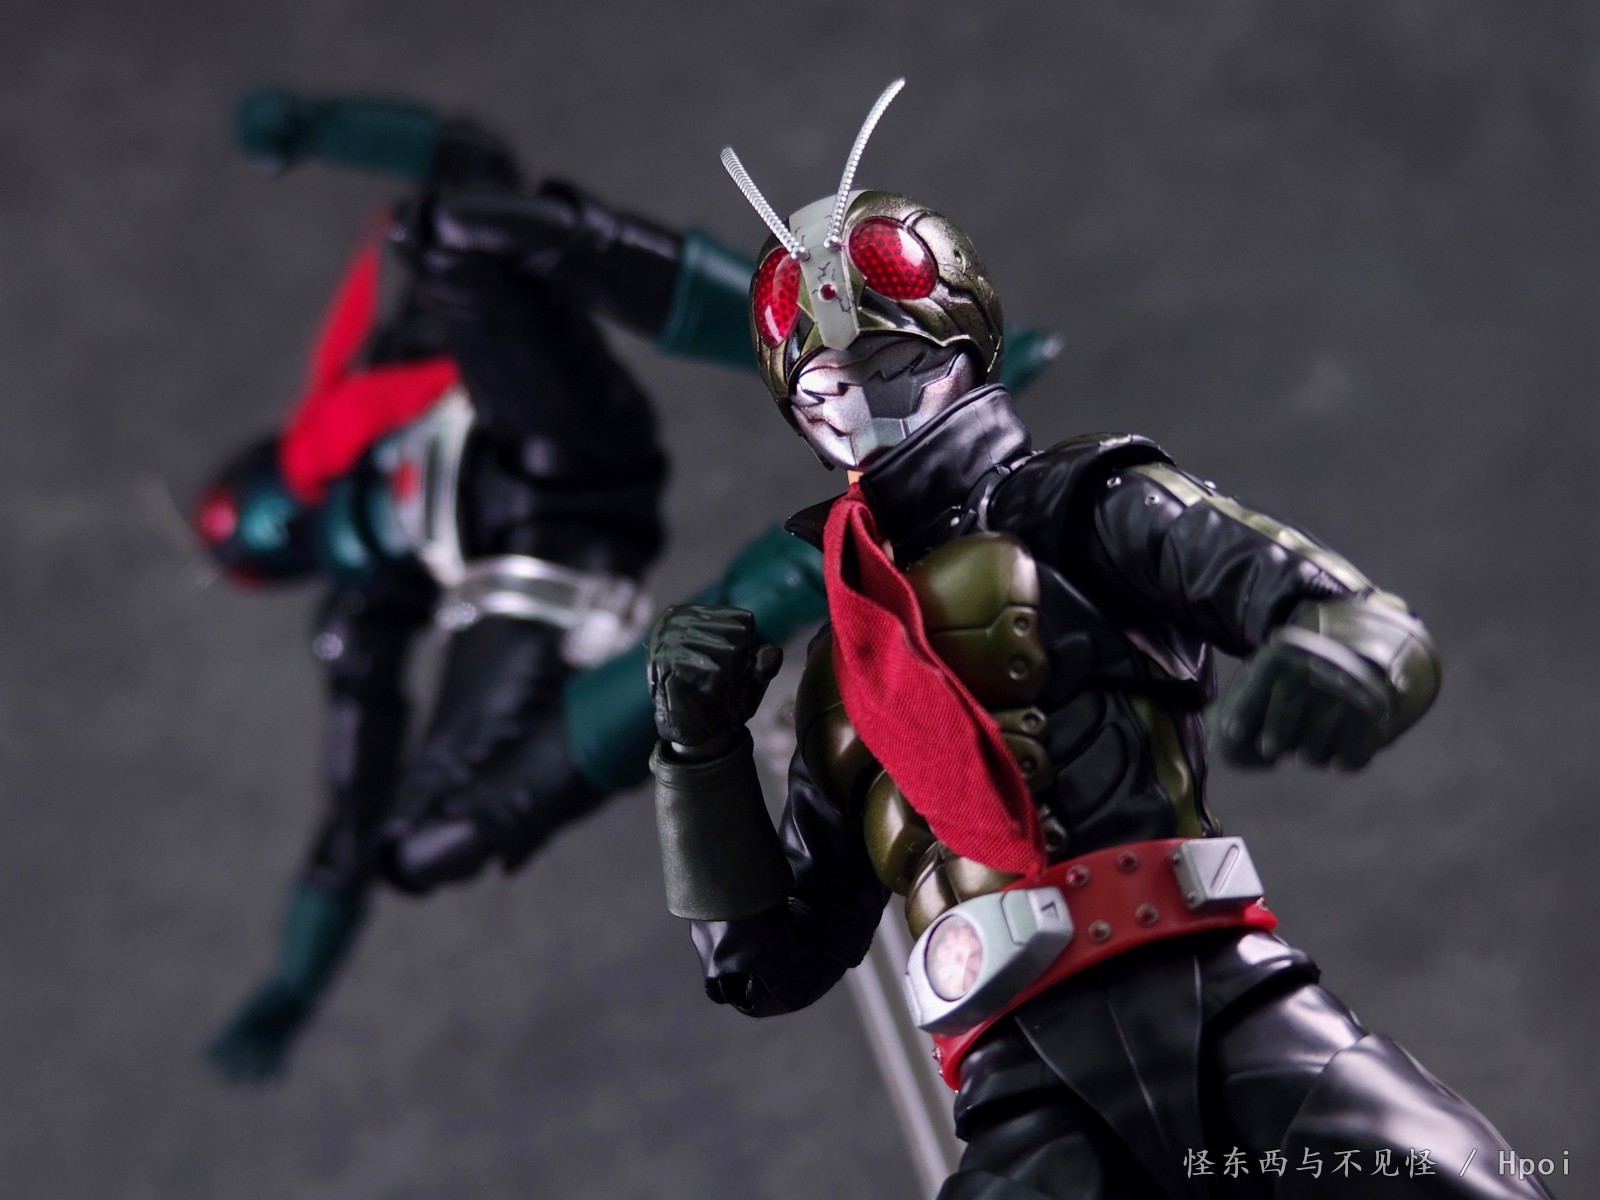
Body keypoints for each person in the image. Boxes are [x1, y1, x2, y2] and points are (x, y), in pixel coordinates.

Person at [644, 81, 1554, 1199]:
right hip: (1023, 1091)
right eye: (830, 388)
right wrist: (696, 757)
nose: (865, 409)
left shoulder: (1085, 504)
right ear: (799, 412)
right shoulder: (850, 672)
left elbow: (1342, 610)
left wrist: (1346, 652)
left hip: (1225, 1004)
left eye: (893, 367)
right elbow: (766, 965)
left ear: (965, 347)